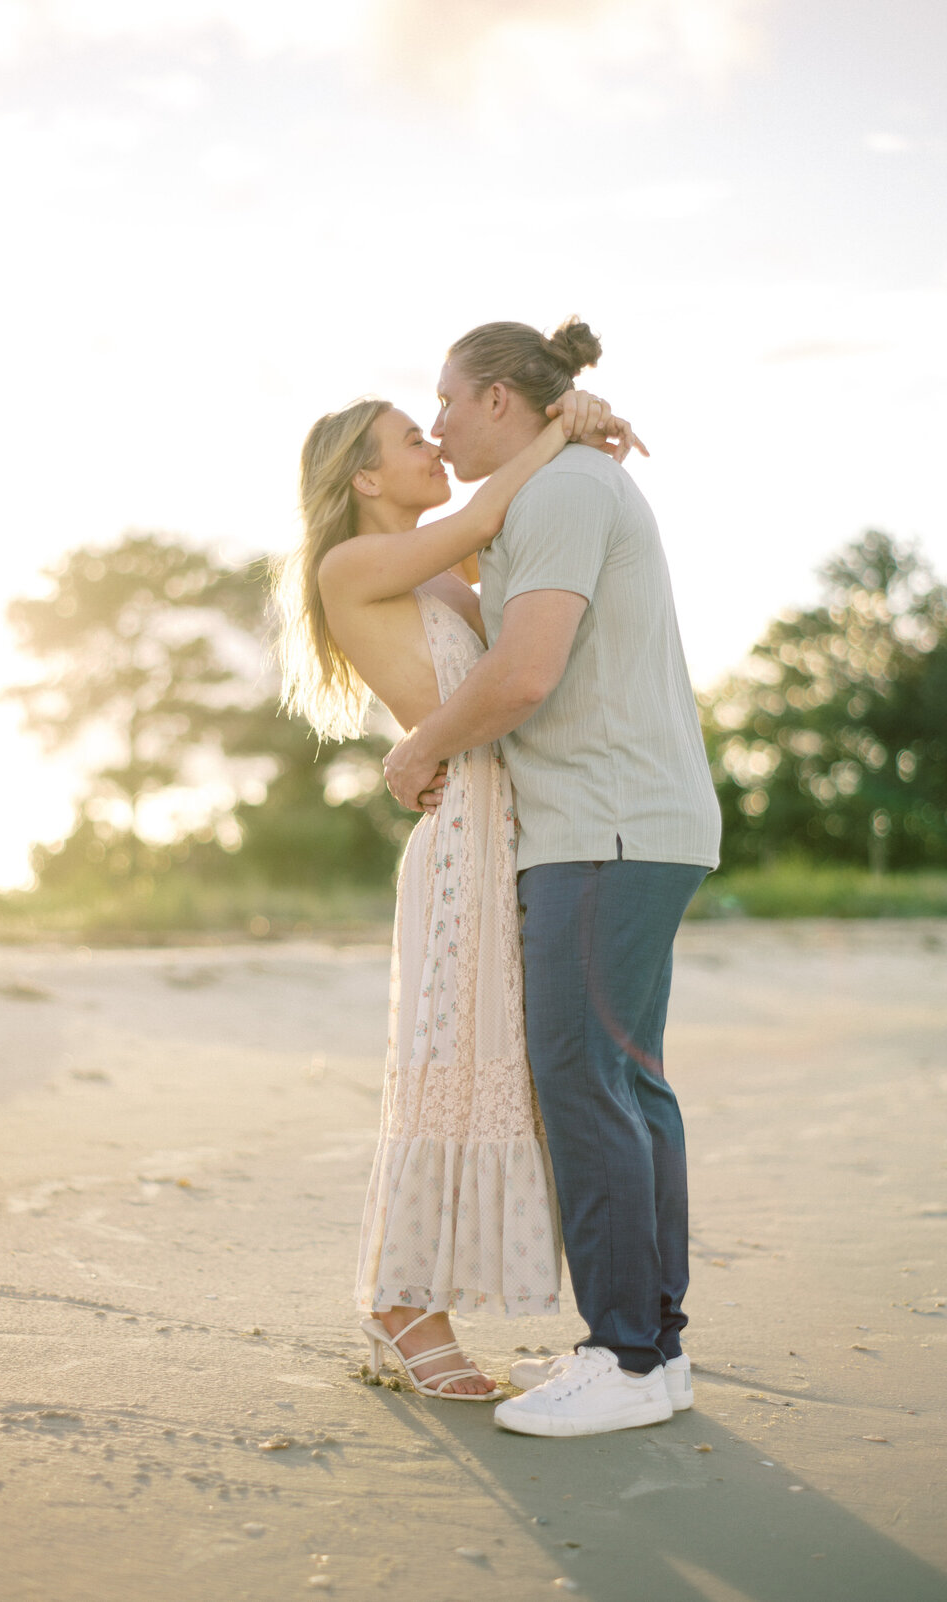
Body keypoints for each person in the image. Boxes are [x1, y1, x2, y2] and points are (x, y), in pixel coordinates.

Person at [383, 317, 722, 1435]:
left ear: (497, 400)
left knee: (584, 1085)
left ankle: (623, 1359)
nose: (434, 422)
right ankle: (655, 1352)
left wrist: (421, 744)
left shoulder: (568, 494)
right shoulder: (555, 489)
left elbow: (524, 674)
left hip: (601, 829)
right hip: (630, 825)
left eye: (445, 399)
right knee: (628, 1087)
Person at [274, 373, 643, 1399]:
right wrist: (562, 421)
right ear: (364, 473)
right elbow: (490, 505)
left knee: (493, 1058)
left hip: (502, 826)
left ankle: (431, 1297)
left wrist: (580, 446)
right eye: (411, 438)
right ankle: (400, 1305)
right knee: (442, 1059)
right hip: (458, 843)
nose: (435, 445)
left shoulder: (443, 570)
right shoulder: (354, 564)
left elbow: (523, 552)